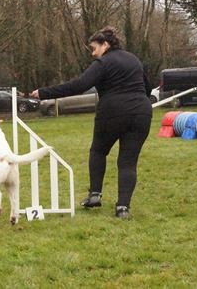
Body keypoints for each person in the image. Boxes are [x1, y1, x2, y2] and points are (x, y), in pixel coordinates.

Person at [30, 26, 152, 219]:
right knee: (128, 162)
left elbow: (80, 85)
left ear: (105, 44)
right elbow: (148, 87)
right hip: (141, 112)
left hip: (112, 111)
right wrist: (136, 104)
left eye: (94, 48)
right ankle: (123, 208)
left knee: (98, 151)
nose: (93, 54)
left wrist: (44, 93)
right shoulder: (133, 59)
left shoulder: (103, 63)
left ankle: (95, 195)